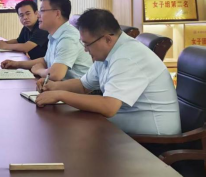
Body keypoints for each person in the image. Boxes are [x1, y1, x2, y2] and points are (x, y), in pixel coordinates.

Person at [35, 9, 182, 136]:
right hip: (126, 123)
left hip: (154, 137)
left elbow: (108, 107)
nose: (85, 50)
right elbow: (83, 85)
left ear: (107, 39)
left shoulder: (126, 56)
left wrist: (61, 95)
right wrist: (54, 87)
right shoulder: (107, 53)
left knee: (72, 130)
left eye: (87, 44)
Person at [1, 0, 92, 81]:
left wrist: (39, 70)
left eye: (42, 11)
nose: (38, 15)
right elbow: (45, 61)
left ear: (57, 13)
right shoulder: (54, 34)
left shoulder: (68, 38)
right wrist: (16, 64)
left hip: (80, 89)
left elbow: (56, 74)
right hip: (63, 85)